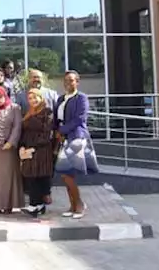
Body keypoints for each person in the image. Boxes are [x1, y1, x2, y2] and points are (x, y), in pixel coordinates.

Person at [54, 70, 98, 220]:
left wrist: (62, 130)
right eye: (66, 80)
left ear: (77, 82)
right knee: (66, 174)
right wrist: (56, 131)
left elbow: (80, 119)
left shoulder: (82, 98)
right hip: (62, 139)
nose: (68, 83)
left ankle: (79, 205)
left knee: (68, 174)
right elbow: (56, 118)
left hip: (76, 137)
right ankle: (72, 206)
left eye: (72, 80)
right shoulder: (60, 99)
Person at [19, 88, 55, 217]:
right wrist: (22, 146)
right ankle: (37, 205)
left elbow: (47, 133)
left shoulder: (47, 112)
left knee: (38, 177)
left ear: (41, 98)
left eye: (35, 97)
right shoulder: (28, 113)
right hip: (28, 150)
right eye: (30, 98)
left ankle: (35, 205)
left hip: (41, 150)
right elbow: (24, 132)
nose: (33, 100)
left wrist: (33, 147)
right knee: (30, 176)